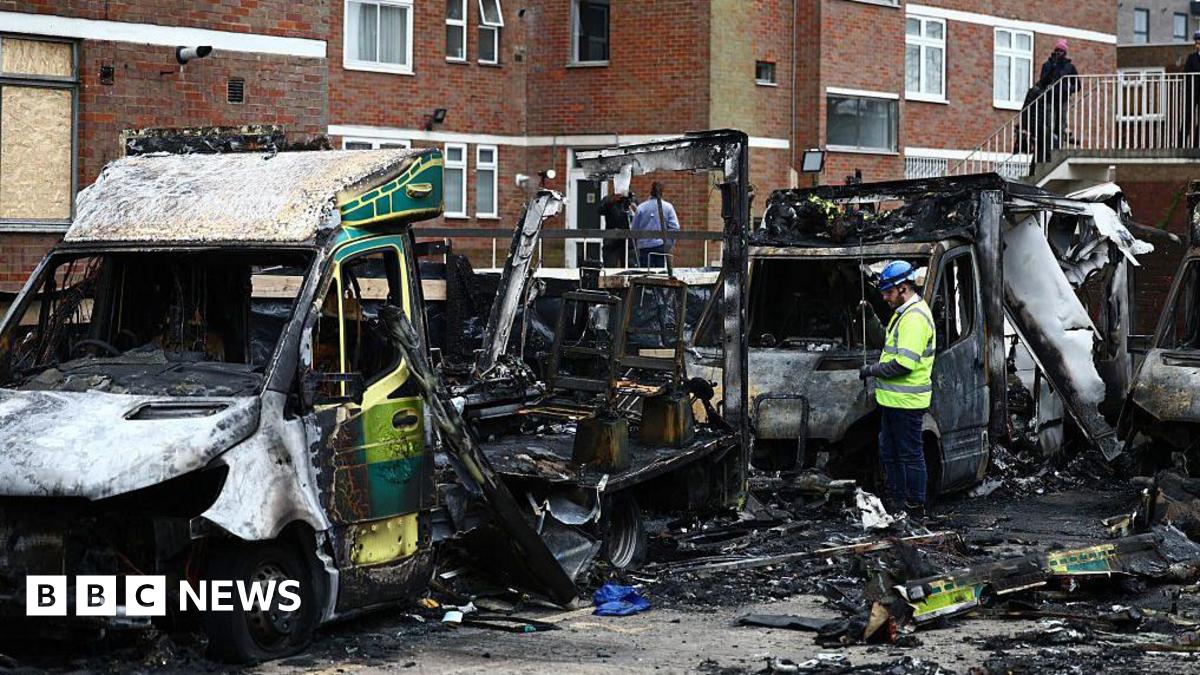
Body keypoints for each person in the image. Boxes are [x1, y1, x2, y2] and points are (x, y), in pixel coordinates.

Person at [858, 261, 936, 517]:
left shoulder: (914, 318)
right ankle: (898, 503)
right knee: (891, 453)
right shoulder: (904, 313)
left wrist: (872, 371)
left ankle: (914, 507)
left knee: (910, 455)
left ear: (903, 288)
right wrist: (869, 319)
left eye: (888, 292)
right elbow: (887, 342)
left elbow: (904, 364)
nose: (884, 296)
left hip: (907, 403)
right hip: (893, 402)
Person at [1035, 39, 1079, 162]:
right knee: (1049, 125)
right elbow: (1042, 82)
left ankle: (1059, 148)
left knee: (1061, 125)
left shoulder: (1069, 67)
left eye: (1061, 51)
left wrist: (1069, 89)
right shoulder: (1047, 65)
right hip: (1049, 99)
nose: (1059, 53)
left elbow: (1078, 85)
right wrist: (1052, 68)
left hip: (1063, 99)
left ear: (1065, 52)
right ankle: (1049, 150)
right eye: (1057, 50)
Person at [630, 182, 680, 267]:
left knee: (645, 273)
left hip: (644, 247)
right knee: (660, 273)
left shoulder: (641, 208)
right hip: (660, 245)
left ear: (651, 192)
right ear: (662, 192)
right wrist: (669, 244)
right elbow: (675, 227)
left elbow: (634, 229)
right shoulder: (668, 207)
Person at [597, 188, 636, 268]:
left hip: (628, 239)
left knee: (630, 265)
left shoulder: (631, 199)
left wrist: (632, 206)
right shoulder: (609, 199)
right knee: (610, 265)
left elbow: (637, 214)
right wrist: (612, 200)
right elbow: (599, 210)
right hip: (611, 238)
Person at [1183, 32, 1200, 147]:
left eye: (1199, 43)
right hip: (1193, 92)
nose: (1197, 45)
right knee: (1188, 117)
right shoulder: (1191, 58)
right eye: (1196, 43)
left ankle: (1196, 143)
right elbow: (1187, 74)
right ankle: (1181, 142)